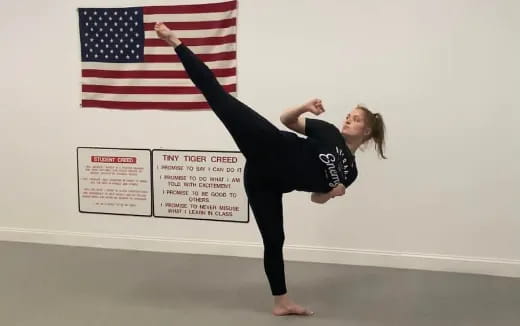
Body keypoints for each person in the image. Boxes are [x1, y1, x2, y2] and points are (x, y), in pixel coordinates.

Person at [154, 22, 387, 316]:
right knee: (219, 97)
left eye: (354, 119)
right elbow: (286, 119)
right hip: (270, 145)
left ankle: (281, 302)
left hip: (264, 181)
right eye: (349, 116)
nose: (347, 120)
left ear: (366, 132)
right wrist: (303, 106)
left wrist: (332, 193)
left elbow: (316, 198)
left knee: (275, 239)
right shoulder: (327, 132)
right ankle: (176, 42)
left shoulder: (350, 174)